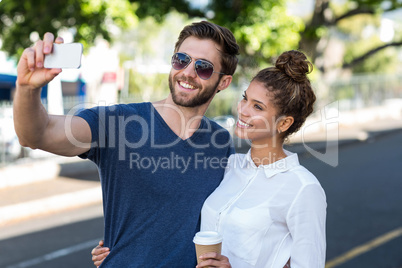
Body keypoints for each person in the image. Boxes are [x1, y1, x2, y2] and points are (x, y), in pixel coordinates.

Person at [13, 21, 239, 267]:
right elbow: (37, 134)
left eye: (203, 67)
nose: (187, 72)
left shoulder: (220, 142)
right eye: (181, 59)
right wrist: (26, 89)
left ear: (223, 82)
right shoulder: (119, 121)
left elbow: (231, 220)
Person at [92, 50, 327, 268]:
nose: (243, 110)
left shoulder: (302, 188)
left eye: (257, 107)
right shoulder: (229, 166)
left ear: (284, 123)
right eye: (245, 99)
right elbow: (175, 213)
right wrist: (124, 250)